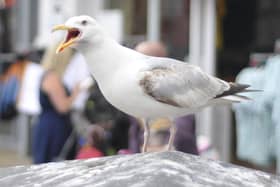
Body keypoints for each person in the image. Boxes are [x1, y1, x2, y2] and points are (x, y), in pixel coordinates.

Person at [129, 41, 198, 154]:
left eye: (139, 59)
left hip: (176, 165)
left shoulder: (177, 89)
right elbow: (134, 136)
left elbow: (181, 133)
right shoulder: (137, 93)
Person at [32, 43, 81, 163]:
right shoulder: (52, 78)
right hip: (54, 128)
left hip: (51, 126)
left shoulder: (49, 75)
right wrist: (76, 92)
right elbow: (62, 107)